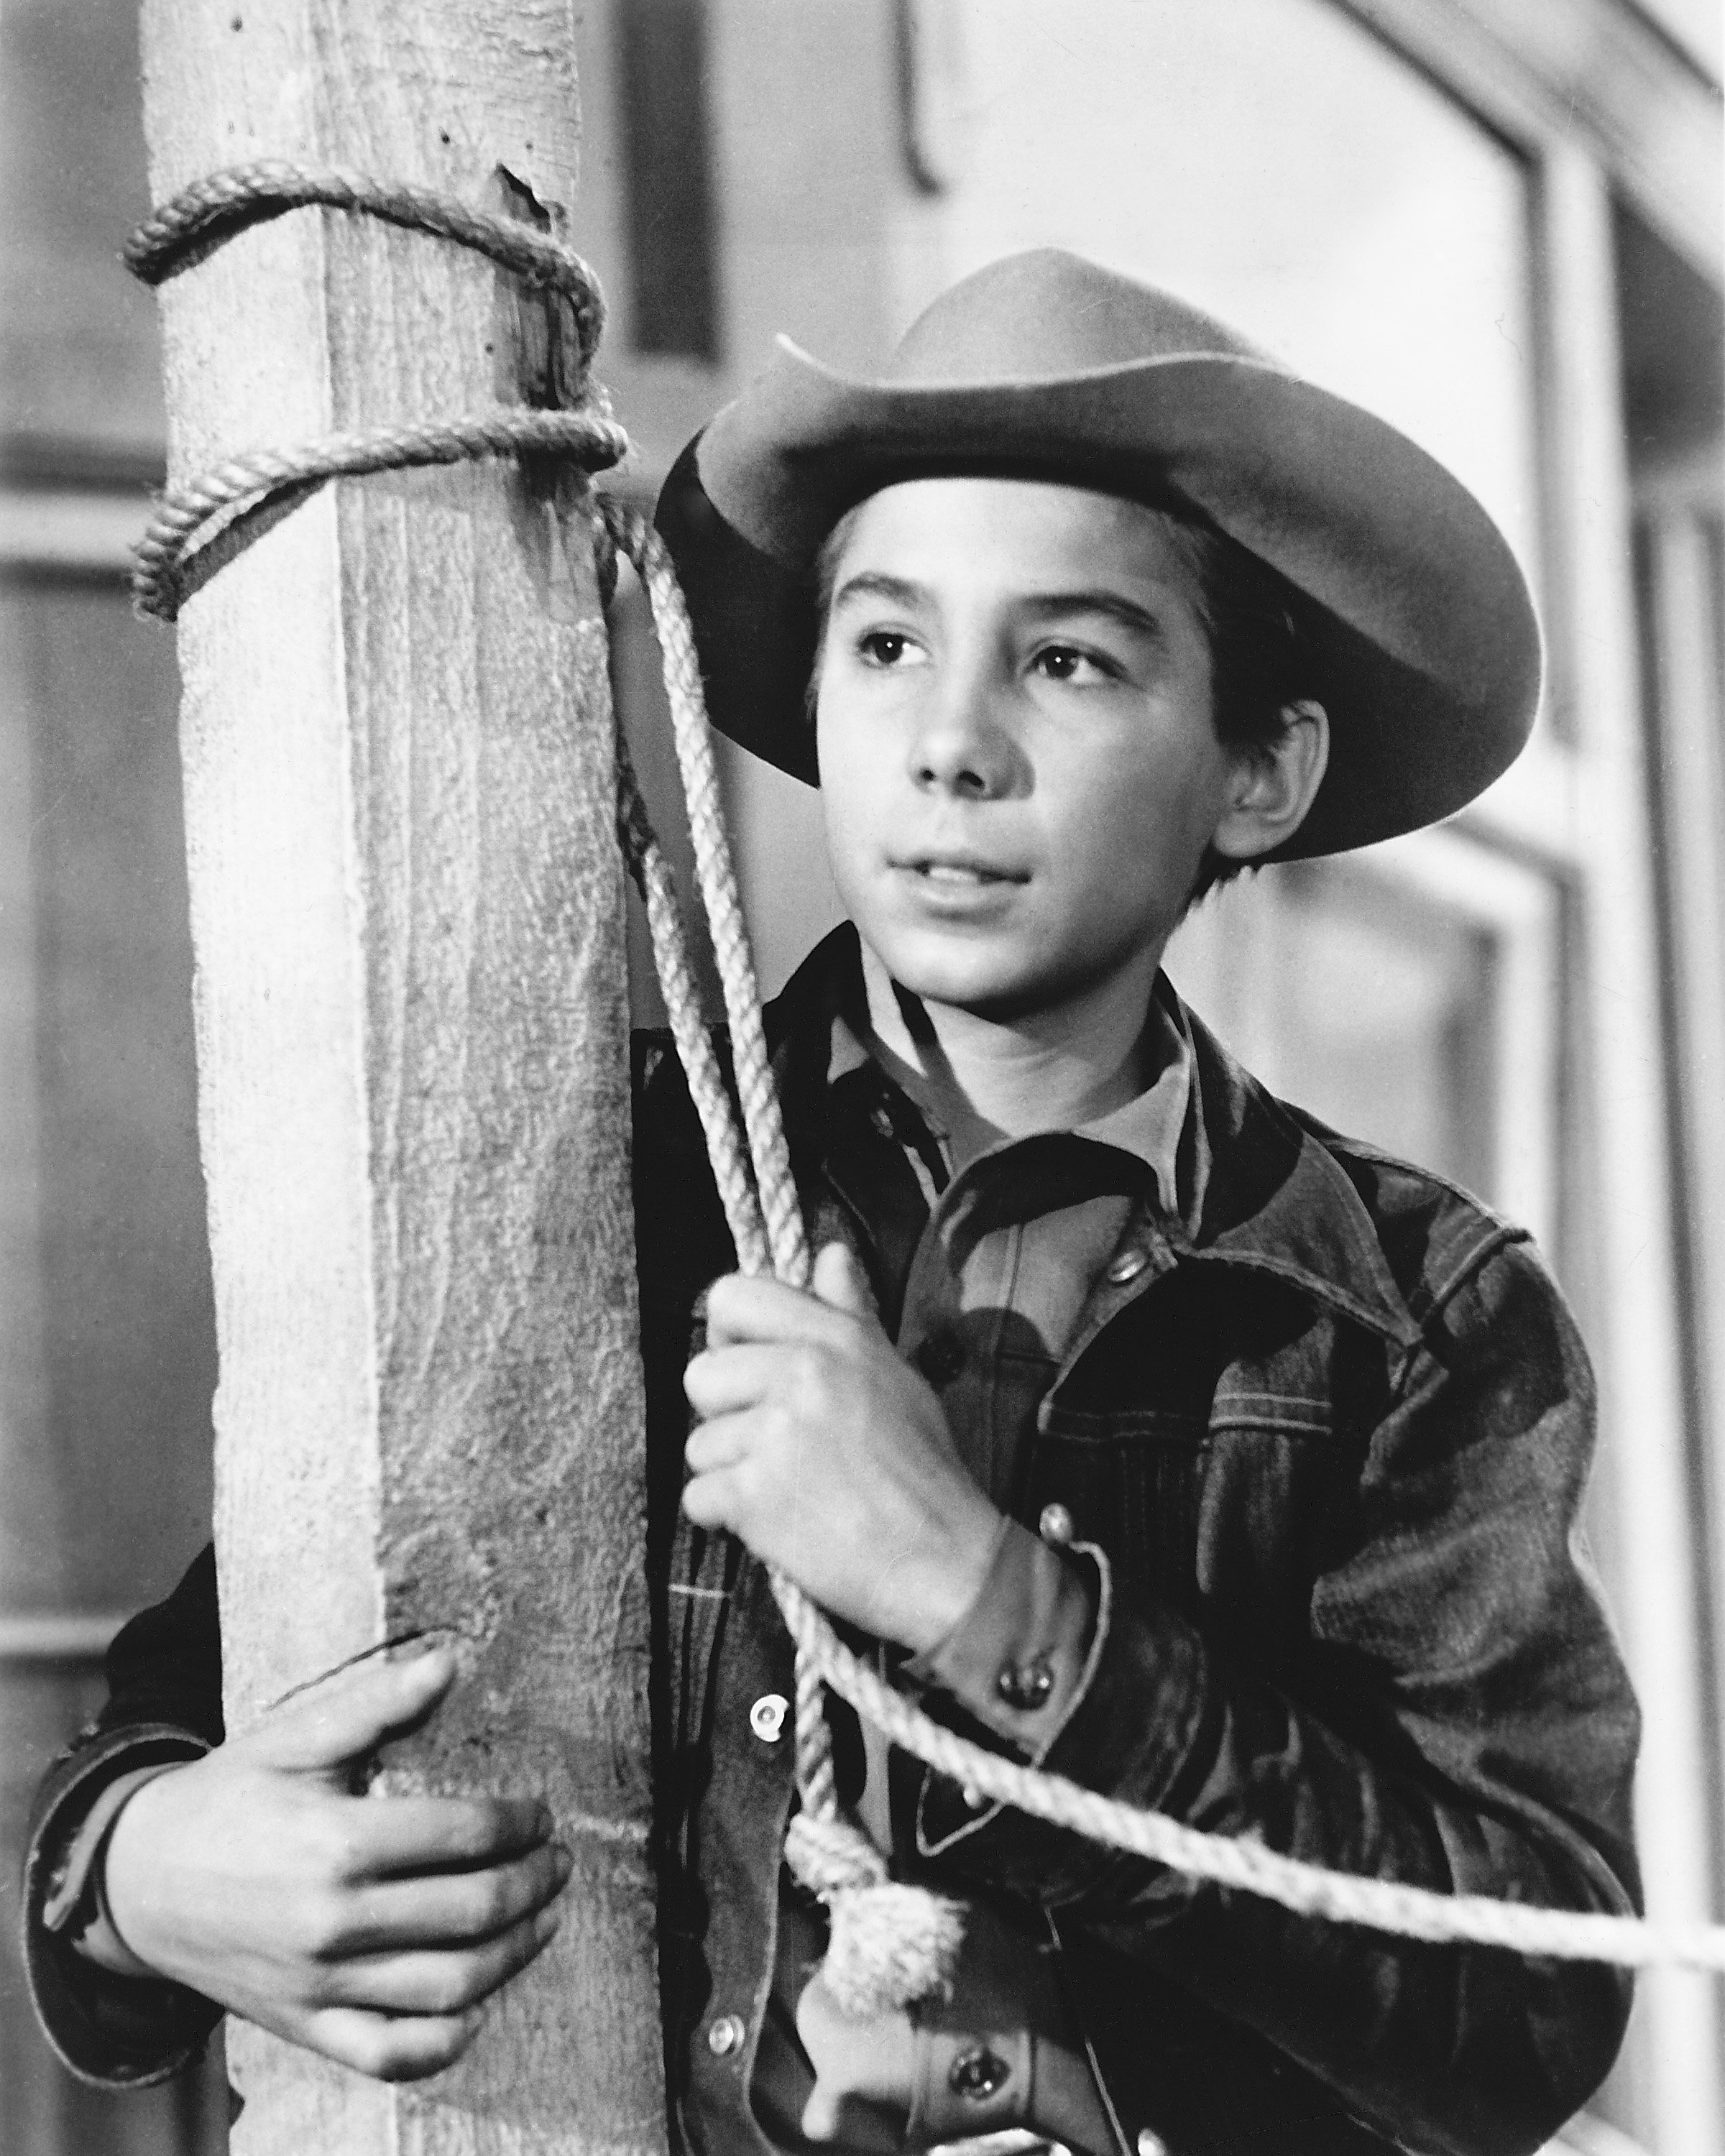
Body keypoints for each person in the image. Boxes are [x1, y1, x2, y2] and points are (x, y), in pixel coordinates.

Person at [24, 249, 1639, 2156]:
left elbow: (1521, 1998)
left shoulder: (1410, 1315)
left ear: (1260, 772)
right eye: (887, 644)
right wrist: (134, 1869)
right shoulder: (596, 1194)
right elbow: (191, 1710)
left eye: (1067, 659)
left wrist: (981, 1594)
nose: (951, 739)